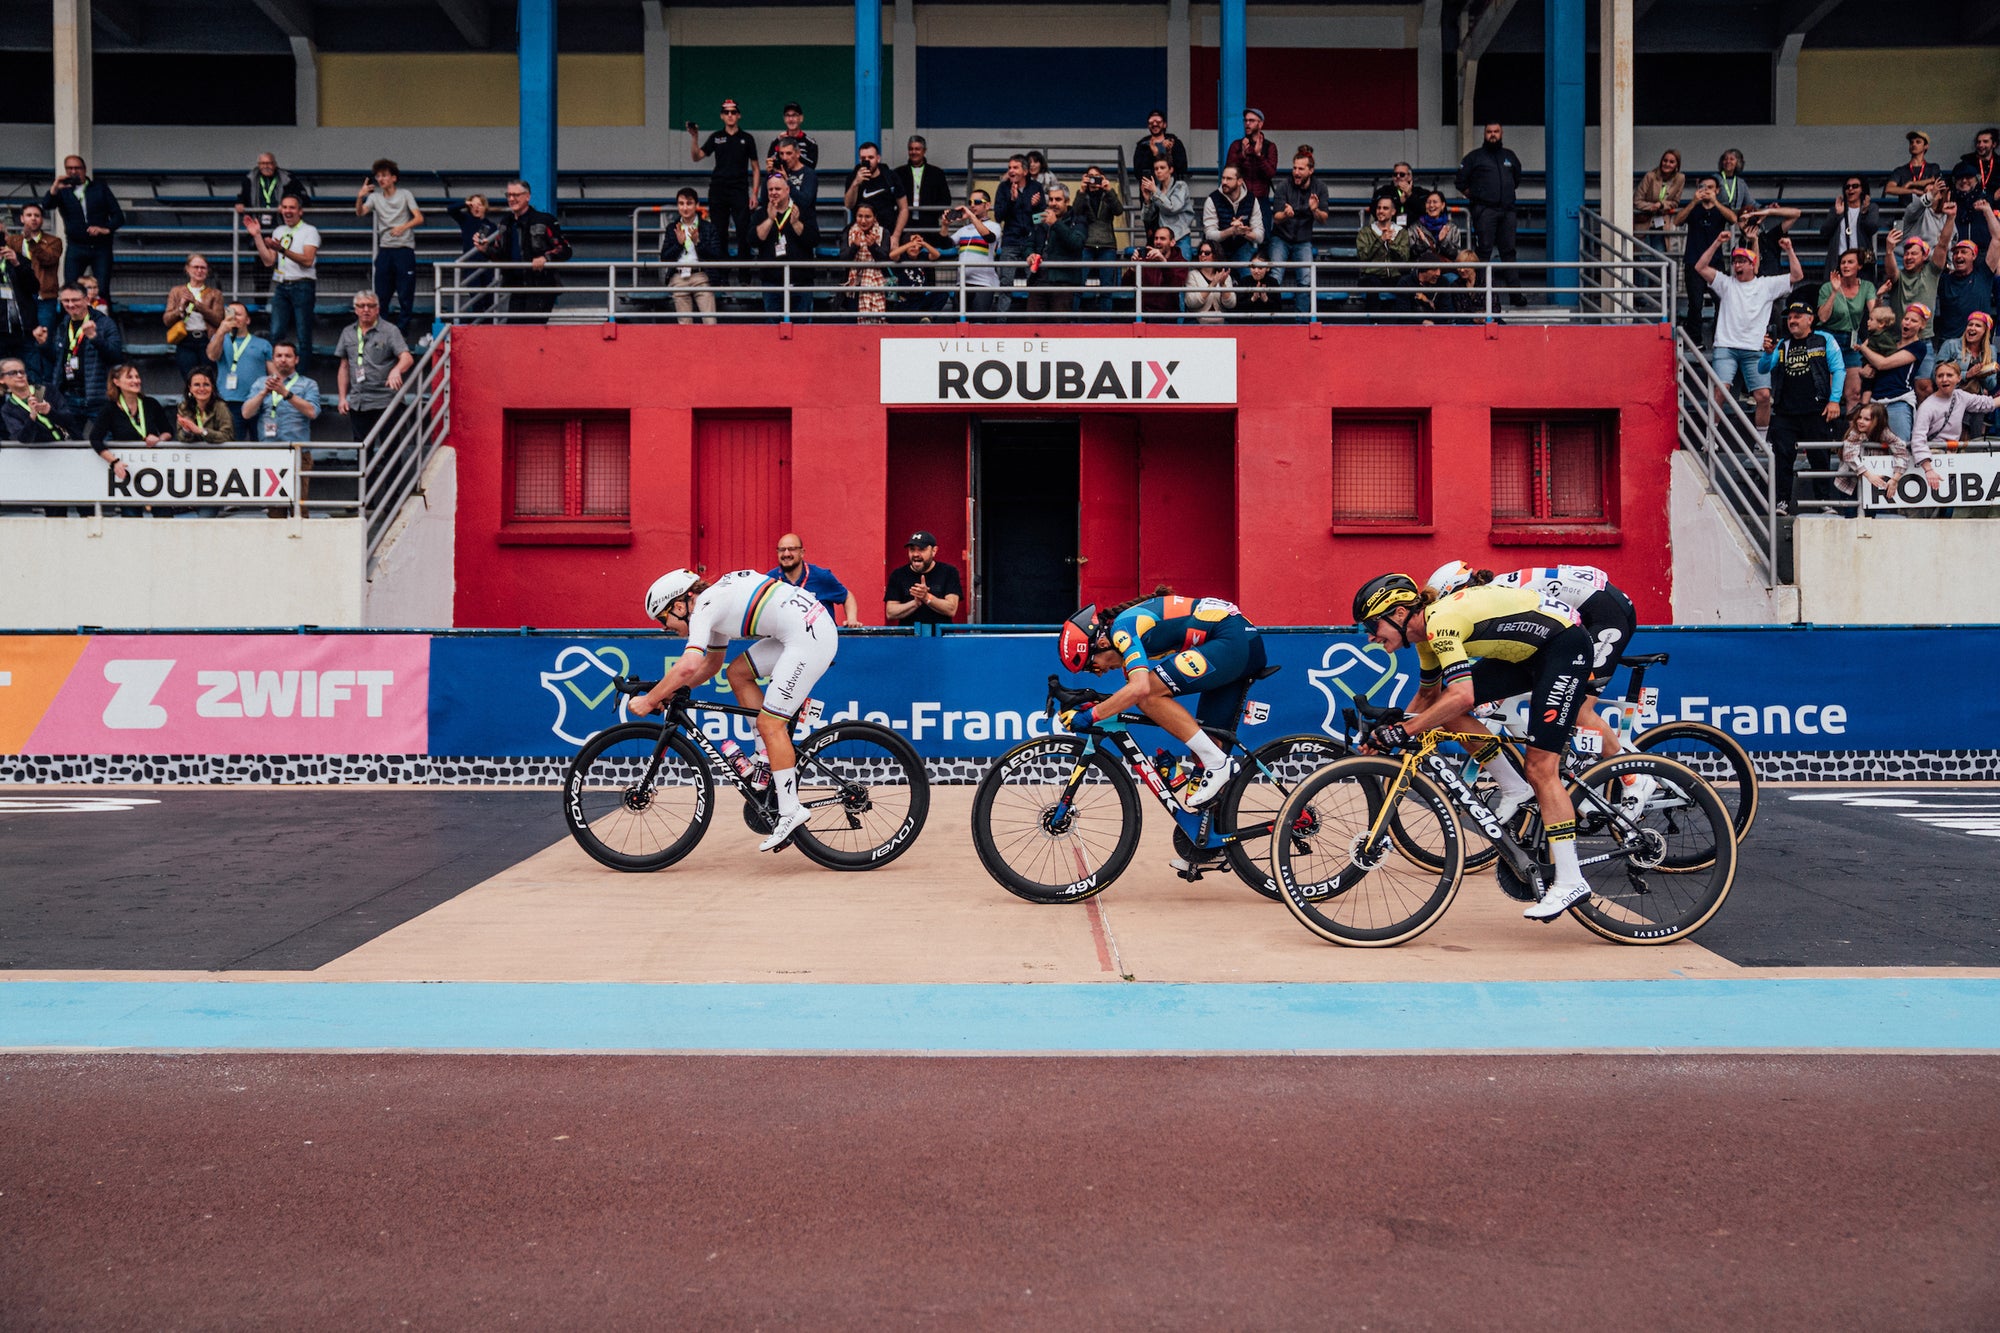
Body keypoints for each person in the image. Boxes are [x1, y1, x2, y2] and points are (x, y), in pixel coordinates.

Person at [1352, 573, 1595, 920]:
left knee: (1541, 768)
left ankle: (1571, 880)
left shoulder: (1442, 622)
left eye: (1373, 624)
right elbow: (1428, 697)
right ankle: (1515, 789)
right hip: (1529, 654)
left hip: (1563, 648)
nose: (1371, 636)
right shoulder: (1425, 638)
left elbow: (1462, 695)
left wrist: (1405, 730)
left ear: (1401, 612)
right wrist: (1387, 731)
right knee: (1444, 712)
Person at [632, 568, 838, 853]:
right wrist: (668, 692)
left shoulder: (704, 606)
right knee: (737, 673)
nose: (665, 628)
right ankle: (765, 756)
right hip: (804, 628)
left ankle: (791, 811)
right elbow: (711, 666)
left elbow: (690, 664)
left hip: (808, 638)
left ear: (679, 605)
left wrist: (650, 699)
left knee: (771, 725)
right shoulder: (712, 602)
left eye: (663, 619)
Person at [1056, 592, 1265, 813]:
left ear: (1102, 642)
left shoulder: (1122, 631)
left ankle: (1219, 764)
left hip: (1231, 639)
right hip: (1238, 641)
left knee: (1149, 696)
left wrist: (1090, 716)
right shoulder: (1126, 638)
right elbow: (1130, 693)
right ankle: (1218, 841)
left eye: (1093, 666)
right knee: (1206, 747)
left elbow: (1140, 690)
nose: (1099, 674)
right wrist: (1094, 700)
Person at [1423, 561, 1641, 769]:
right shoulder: (1488, 594)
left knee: (1578, 708)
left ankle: (1633, 778)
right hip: (1585, 610)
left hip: (1606, 616)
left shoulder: (1493, 594)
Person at [1694, 229, 1801, 429]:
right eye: (1735, 261)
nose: (1737, 265)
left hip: (1755, 349)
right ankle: (1711, 437)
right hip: (1726, 347)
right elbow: (1700, 266)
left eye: (1742, 261)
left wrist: (1789, 250)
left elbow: (1797, 275)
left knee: (1763, 396)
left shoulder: (1766, 285)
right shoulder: (1726, 283)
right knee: (1720, 391)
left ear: (1753, 265)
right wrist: (1717, 241)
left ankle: (1762, 441)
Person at [1757, 300, 1848, 514]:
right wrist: (1768, 352)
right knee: (1782, 457)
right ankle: (1782, 502)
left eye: (1797, 316)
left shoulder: (1825, 339)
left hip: (1816, 410)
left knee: (1820, 457)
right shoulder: (1783, 344)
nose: (1792, 320)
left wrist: (1834, 400)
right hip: (1785, 412)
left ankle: (1824, 501)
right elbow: (1763, 368)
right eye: (1789, 317)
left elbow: (1839, 369)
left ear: (1810, 319)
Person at [688, 98, 760, 283]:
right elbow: (697, 157)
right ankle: (722, 276)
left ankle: (744, 277)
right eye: (726, 112)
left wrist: (754, 193)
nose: (730, 115)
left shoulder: (747, 138)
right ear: (722, 116)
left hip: (739, 190)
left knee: (743, 232)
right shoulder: (716, 137)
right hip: (718, 190)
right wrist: (694, 137)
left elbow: (756, 168)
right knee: (719, 233)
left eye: (733, 112)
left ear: (739, 115)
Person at [1455, 123, 1525, 307]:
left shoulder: (1509, 156)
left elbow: (1516, 179)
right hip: (1485, 211)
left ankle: (1516, 297)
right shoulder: (1474, 157)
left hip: (1508, 211)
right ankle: (1479, 297)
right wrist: (1479, 197)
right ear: (1484, 134)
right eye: (1489, 132)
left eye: (1496, 132)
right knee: (1483, 252)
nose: (1492, 135)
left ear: (1501, 133)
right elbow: (1460, 182)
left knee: (1509, 252)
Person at [244, 193, 319, 359]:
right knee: (276, 332)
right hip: (282, 286)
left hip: (303, 285)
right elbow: (268, 261)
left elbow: (307, 261)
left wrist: (282, 250)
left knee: (303, 333)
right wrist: (257, 236)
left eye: (292, 207)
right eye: (284, 207)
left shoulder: (310, 231)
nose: (287, 211)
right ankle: (275, 372)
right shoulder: (279, 230)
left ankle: (301, 377)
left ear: (300, 211)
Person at [356, 158, 424, 334]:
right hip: (385, 250)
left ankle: (402, 332)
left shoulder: (405, 194)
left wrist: (403, 227)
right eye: (378, 176)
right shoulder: (374, 197)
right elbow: (360, 212)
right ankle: (382, 335)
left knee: (405, 295)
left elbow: (419, 218)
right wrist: (360, 196)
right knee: (381, 297)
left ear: (394, 177)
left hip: (404, 249)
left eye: (384, 175)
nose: (381, 179)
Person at [34, 283, 123, 418]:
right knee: (71, 438)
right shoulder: (63, 325)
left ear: (86, 300)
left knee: (104, 439)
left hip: (98, 396)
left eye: (75, 300)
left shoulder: (105, 323)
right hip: (69, 396)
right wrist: (44, 344)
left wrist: (95, 338)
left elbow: (116, 356)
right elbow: (57, 359)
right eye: (66, 300)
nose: (70, 304)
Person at [336, 291, 414, 443]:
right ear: (355, 309)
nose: (366, 309)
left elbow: (407, 357)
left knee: (390, 446)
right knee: (362, 448)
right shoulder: (347, 332)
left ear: (377, 309)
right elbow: (344, 367)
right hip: (359, 400)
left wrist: (396, 370)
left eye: (370, 306)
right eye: (361, 306)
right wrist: (342, 397)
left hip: (386, 399)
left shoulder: (390, 330)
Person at [489, 180, 571, 322]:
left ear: (527, 197)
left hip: (541, 286)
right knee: (515, 332)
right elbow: (499, 254)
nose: (511, 199)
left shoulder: (545, 220)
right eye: (508, 195)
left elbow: (565, 249)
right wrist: (484, 248)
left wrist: (545, 258)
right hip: (517, 286)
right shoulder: (505, 222)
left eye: (516, 195)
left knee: (531, 330)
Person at [43, 154, 123, 298]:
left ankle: (102, 319)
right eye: (69, 168)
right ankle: (71, 320)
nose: (73, 171)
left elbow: (118, 216)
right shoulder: (63, 191)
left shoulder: (99, 187)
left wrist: (105, 229)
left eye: (77, 168)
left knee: (102, 289)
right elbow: (47, 205)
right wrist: (55, 187)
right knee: (70, 288)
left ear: (85, 169)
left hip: (101, 247)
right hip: (76, 246)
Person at [1835, 401, 1931, 516]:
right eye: (1859, 417)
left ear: (1877, 422)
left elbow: (1901, 452)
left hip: (1873, 485)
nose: (1860, 421)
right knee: (1851, 516)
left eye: (1866, 419)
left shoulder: (1884, 433)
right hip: (1850, 484)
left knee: (1870, 516)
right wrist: (1869, 475)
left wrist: (1895, 479)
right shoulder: (1854, 432)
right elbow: (1850, 456)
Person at [1673, 177, 1740, 342]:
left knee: (1722, 302)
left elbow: (1733, 219)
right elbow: (1677, 220)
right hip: (1693, 262)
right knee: (1695, 304)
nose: (1707, 190)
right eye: (1703, 187)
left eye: (1711, 187)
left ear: (1717, 190)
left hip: (1715, 263)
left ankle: (1720, 338)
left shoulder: (1720, 208)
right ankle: (1695, 341)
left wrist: (1715, 202)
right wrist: (1693, 201)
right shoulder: (1693, 208)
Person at [1858, 303, 1936, 440]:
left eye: (1914, 321)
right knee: (1871, 449)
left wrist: (1863, 348)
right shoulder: (1890, 341)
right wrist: (1863, 371)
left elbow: (1883, 364)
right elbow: (1872, 364)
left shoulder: (1919, 347)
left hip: (1898, 401)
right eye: (1906, 319)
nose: (1908, 323)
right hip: (1875, 401)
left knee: (1900, 446)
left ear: (1922, 326)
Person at [1817, 249, 1878, 412]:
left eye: (1850, 262)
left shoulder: (1867, 286)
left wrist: (1880, 296)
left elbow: (1875, 315)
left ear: (1859, 266)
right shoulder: (1827, 287)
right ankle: (1826, 433)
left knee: (1854, 393)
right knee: (1830, 393)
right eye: (1843, 262)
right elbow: (1822, 317)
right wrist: (1835, 291)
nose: (1845, 265)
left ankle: (1852, 433)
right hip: (1830, 339)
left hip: (1851, 340)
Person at [750, 172, 817, 320]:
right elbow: (753, 240)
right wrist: (769, 219)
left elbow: (813, 240)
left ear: (787, 190)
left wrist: (795, 223)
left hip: (801, 282)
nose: (773, 193)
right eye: (770, 189)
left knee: (803, 331)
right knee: (773, 333)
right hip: (772, 284)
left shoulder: (803, 211)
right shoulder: (760, 214)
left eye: (778, 189)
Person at [1268, 152, 1327, 314]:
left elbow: (1323, 218)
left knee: (1306, 279)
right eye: (1294, 168)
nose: (1296, 172)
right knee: (1274, 277)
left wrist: (1315, 210)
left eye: (1301, 169)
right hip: (1281, 237)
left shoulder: (1320, 188)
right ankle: (1271, 319)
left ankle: (1301, 323)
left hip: (1303, 240)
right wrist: (1286, 214)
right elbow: (1277, 218)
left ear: (1311, 170)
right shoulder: (1283, 186)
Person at [205, 302, 273, 439]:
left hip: (258, 401)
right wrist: (221, 331)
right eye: (230, 314)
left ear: (247, 320)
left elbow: (273, 373)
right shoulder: (219, 339)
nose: (234, 317)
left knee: (260, 447)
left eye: (238, 314)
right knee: (234, 446)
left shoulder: (263, 344)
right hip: (230, 401)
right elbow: (212, 356)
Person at [240, 339, 322, 445]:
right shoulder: (261, 383)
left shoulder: (308, 384)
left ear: (296, 359)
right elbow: (246, 413)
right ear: (273, 359)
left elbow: (313, 412)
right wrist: (263, 393)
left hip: (298, 451)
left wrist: (285, 393)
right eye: (279, 356)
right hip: (268, 451)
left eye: (288, 356)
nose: (283, 360)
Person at [660, 188, 722, 324]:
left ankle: (712, 346)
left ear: (697, 205)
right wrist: (679, 244)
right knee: (685, 326)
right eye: (681, 203)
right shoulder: (672, 228)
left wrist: (698, 243)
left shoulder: (708, 227)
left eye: (689, 203)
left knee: (710, 323)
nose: (685, 207)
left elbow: (716, 255)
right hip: (679, 277)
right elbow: (664, 257)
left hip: (702, 276)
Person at [991, 156, 1047, 309]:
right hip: (1011, 242)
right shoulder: (1003, 188)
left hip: (1032, 244)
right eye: (1009, 167)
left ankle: (1034, 322)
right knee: (1005, 284)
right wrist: (1012, 200)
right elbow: (998, 216)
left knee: (1035, 283)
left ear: (1025, 171)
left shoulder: (1036, 187)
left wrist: (1035, 207)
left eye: (1015, 168)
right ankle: (1002, 325)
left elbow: (1041, 219)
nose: (1011, 171)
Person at [1879, 221, 1951, 340]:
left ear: (1924, 256)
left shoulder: (1931, 273)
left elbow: (1943, 245)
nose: (1909, 257)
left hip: (1923, 340)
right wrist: (1889, 251)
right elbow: (1891, 272)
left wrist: (1951, 217)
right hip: (1899, 341)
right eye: (1906, 254)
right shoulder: (1899, 276)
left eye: (1914, 254)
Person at [769, 533, 860, 625]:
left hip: (822, 637)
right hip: (786, 638)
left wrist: (851, 620)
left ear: (802, 553)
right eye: (782, 549)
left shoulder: (822, 576)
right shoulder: (769, 580)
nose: (786, 554)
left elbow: (847, 597)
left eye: (792, 549)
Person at [1934, 221, 2000, 345]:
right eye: (1955, 253)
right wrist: (1950, 218)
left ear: (1974, 256)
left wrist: (1986, 210)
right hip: (1949, 346)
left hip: (1979, 346)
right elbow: (1942, 246)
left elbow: (1997, 239)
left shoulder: (1983, 276)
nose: (1958, 256)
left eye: (1964, 252)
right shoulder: (1944, 280)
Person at [1070, 166, 1125, 313]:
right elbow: (1074, 212)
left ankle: (1106, 321)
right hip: (1086, 243)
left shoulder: (1107, 195)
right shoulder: (1083, 194)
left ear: (1102, 178)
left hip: (1107, 244)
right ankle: (1072, 320)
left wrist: (1109, 190)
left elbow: (1119, 210)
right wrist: (1081, 191)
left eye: (1097, 176)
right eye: (1090, 176)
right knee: (1078, 284)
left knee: (1106, 288)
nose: (1093, 180)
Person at [163, 253, 224, 382]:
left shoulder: (215, 293)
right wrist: (180, 308)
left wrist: (197, 305)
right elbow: (167, 320)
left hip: (207, 340)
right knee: (189, 380)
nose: (199, 270)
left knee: (208, 379)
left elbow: (218, 319)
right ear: (187, 269)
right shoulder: (177, 291)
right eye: (195, 267)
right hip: (185, 339)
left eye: (203, 268)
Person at [1027, 185, 1085, 317]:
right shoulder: (1039, 218)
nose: (1053, 203)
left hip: (1063, 282)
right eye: (1051, 199)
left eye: (1058, 199)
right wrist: (1029, 254)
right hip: (1038, 281)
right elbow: (1028, 243)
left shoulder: (1078, 220)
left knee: (1060, 327)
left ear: (1067, 201)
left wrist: (1056, 224)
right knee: (1033, 326)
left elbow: (1076, 244)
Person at [1938, 310, 1997, 435]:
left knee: (1974, 441)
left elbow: (1991, 385)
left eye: (1977, 325)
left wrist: (1984, 374)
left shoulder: (1991, 350)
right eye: (1970, 324)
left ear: (1986, 331)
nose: (1972, 328)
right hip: (1952, 399)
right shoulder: (1951, 345)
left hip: (1976, 402)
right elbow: (1935, 373)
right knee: (1952, 438)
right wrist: (1967, 374)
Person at [885, 530, 962, 627]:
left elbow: (951, 609)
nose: (916, 554)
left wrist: (927, 597)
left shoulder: (949, 572)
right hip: (909, 639)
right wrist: (915, 603)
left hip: (941, 638)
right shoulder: (898, 575)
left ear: (934, 551)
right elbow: (890, 612)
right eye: (912, 549)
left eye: (921, 549)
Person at [445, 193, 504, 319]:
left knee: (489, 300)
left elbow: (495, 247)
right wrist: (465, 203)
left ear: (485, 207)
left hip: (487, 267)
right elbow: (450, 210)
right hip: (471, 265)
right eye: (473, 205)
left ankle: (488, 329)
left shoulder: (491, 226)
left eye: (480, 204)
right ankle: (478, 327)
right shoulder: (466, 220)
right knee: (476, 299)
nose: (476, 208)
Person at [9, 203, 62, 337]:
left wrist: (31, 241)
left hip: (44, 296)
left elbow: (48, 259)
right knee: (23, 338)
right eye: (29, 215)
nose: (33, 218)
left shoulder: (54, 241)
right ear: (22, 219)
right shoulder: (13, 241)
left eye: (37, 215)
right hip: (20, 297)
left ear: (42, 219)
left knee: (44, 339)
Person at [891, 135, 955, 248]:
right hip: (905, 224)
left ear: (924, 151)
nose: (913, 152)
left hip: (929, 223)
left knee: (929, 255)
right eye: (911, 149)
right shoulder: (898, 173)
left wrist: (933, 214)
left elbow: (945, 198)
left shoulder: (936, 173)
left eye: (917, 149)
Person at [1223, 108, 1278, 236]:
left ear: (1260, 124)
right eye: (1245, 121)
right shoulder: (1236, 145)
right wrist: (1242, 154)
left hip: (1261, 198)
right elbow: (1229, 171)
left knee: (1264, 237)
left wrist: (1258, 155)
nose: (1247, 124)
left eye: (1252, 121)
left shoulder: (1269, 146)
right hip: (1240, 199)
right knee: (1240, 236)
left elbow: (1270, 173)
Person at [1356, 195, 1412, 319]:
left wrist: (1392, 243)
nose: (1381, 211)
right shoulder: (1365, 232)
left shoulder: (1401, 232)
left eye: (1385, 208)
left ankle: (1405, 325)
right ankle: (1374, 325)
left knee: (1406, 283)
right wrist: (1380, 240)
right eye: (1379, 208)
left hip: (1395, 276)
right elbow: (1363, 256)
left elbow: (1404, 258)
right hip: (1371, 275)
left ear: (1393, 212)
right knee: (1372, 284)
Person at [945, 193, 1001, 316]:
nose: (972, 206)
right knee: (958, 325)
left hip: (983, 284)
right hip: (962, 284)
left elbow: (990, 238)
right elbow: (946, 245)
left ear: (987, 205)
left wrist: (971, 216)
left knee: (979, 325)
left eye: (976, 202)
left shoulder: (994, 226)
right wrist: (945, 225)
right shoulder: (964, 230)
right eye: (970, 203)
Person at [1818, 177, 1882, 282]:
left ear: (1863, 189)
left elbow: (1872, 227)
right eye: (1847, 187)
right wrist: (1838, 215)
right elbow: (1824, 233)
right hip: (1840, 261)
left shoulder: (1871, 208)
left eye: (1855, 186)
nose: (1850, 189)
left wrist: (1864, 213)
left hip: (1862, 261)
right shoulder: (1836, 209)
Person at [844, 142, 909, 241]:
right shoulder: (853, 177)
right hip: (860, 233)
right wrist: (856, 183)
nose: (867, 161)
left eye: (871, 158)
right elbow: (848, 205)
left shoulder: (891, 177)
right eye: (863, 158)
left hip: (887, 232)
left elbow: (903, 208)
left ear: (878, 158)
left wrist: (896, 236)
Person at [1203, 165, 1263, 265]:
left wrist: (1243, 232)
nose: (1224, 182)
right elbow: (1209, 235)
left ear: (1240, 181)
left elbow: (1260, 236)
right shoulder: (1213, 199)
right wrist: (1231, 231)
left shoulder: (1251, 199)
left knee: (1249, 275)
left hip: (1243, 247)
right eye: (1223, 178)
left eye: (1229, 179)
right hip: (1218, 248)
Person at [841, 203, 891, 323]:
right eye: (860, 216)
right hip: (854, 287)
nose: (863, 220)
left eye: (867, 217)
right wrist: (854, 246)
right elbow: (843, 258)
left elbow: (884, 259)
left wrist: (873, 246)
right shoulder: (848, 231)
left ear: (875, 218)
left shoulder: (884, 232)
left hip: (877, 285)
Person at [1138, 158, 1195, 261]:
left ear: (1171, 169)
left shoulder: (1180, 186)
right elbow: (1146, 218)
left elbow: (1172, 207)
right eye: (1156, 169)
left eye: (1162, 168)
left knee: (1182, 271)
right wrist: (1147, 201)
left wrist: (1156, 192)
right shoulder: (1156, 189)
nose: (1158, 171)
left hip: (1180, 237)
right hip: (1162, 240)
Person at [1130, 225, 1187, 318]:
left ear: (1172, 242)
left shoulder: (1180, 262)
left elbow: (1175, 285)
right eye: (1156, 239)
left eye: (1162, 239)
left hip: (1167, 315)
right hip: (1145, 314)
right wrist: (1133, 268)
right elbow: (1126, 285)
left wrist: (1163, 263)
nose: (1158, 242)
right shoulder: (1146, 259)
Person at [0, 232, 38, 365]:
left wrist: (17, 264)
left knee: (28, 372)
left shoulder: (19, 260)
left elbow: (34, 287)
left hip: (21, 329)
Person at [1633, 149, 1685, 235]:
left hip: (1662, 222)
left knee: (1660, 247)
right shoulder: (1650, 176)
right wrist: (1652, 207)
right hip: (1643, 220)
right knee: (1643, 247)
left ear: (1677, 165)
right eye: (1665, 161)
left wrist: (1662, 205)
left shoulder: (1680, 178)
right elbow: (1637, 200)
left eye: (1671, 162)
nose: (1667, 164)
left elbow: (1675, 202)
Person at [1405, 189, 1462, 267]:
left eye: (1435, 202)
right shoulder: (1415, 228)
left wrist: (1443, 242)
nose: (1431, 205)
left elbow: (1456, 255)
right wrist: (1422, 243)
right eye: (1428, 202)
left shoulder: (1452, 228)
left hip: (1445, 269)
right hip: (1422, 270)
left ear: (1442, 205)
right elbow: (1410, 255)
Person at [175, 367, 233, 444]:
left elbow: (227, 436)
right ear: (190, 388)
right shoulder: (184, 407)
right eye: (197, 385)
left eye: (206, 385)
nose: (202, 389)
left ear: (212, 387)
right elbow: (180, 437)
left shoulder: (220, 407)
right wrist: (187, 431)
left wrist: (202, 431)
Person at [1184, 242, 1236, 324]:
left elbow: (1231, 304)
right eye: (1200, 252)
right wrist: (1212, 285)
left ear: (1215, 255)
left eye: (1207, 253)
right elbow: (1191, 303)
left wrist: (1223, 285)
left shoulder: (1224, 276)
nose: (1203, 255)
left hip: (1221, 322)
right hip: (1196, 322)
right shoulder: (1192, 275)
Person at [1132, 111, 1188, 181]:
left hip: (1173, 189)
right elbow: (1138, 172)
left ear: (1164, 124)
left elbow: (1182, 168)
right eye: (1151, 123)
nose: (1155, 124)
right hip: (1150, 189)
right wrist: (1152, 155)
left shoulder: (1175, 144)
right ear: (1148, 125)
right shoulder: (1142, 146)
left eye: (1158, 122)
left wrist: (1170, 152)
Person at [764, 101, 819, 172]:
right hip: (781, 180)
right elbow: (770, 164)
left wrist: (794, 152)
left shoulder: (810, 142)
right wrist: (778, 146)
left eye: (794, 115)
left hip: (802, 181)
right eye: (787, 115)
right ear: (784, 119)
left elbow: (812, 166)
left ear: (801, 118)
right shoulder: (777, 141)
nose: (791, 119)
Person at [1884, 130, 1935, 201]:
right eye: (1911, 142)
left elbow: (1936, 182)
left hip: (1927, 208)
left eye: (1918, 142)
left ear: (1926, 146)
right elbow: (1889, 189)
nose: (1914, 144)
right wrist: (1912, 191)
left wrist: (1910, 183)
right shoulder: (1900, 170)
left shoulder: (1933, 167)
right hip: (1906, 209)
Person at [1372, 162, 1420, 229]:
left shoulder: (1419, 192)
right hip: (1389, 228)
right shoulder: (1383, 191)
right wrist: (1398, 202)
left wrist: (1410, 195)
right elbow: (1374, 210)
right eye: (1395, 174)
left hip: (1412, 229)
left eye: (1402, 174)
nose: (1398, 176)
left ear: (1409, 176)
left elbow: (1422, 210)